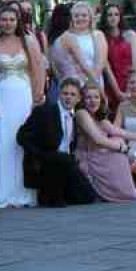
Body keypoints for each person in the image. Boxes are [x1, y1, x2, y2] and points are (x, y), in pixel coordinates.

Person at [0, 5, 43, 208]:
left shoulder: (27, 42)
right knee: (4, 143)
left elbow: (38, 69)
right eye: (4, 20)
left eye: (11, 19)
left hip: (24, 96)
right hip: (1, 97)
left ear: (17, 22)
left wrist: (38, 95)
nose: (7, 23)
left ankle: (24, 192)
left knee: (23, 142)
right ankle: (4, 192)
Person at [74, 85, 136, 202]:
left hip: (98, 155)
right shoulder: (81, 113)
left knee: (119, 140)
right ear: (82, 100)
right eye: (88, 98)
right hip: (88, 158)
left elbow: (116, 131)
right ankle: (126, 191)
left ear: (101, 99)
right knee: (119, 148)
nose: (93, 101)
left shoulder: (98, 116)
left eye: (96, 97)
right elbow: (98, 139)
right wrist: (125, 149)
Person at [16, 78, 97, 207]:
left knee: (89, 197)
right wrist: (40, 155)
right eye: (65, 94)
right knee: (59, 201)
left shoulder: (75, 117)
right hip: (47, 163)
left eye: (72, 95)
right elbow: (21, 136)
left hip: (67, 164)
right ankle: (50, 194)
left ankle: (57, 193)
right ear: (59, 95)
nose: (68, 98)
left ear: (78, 98)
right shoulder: (44, 111)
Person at [54, 2, 106, 89]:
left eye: (84, 15)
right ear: (71, 18)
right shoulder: (66, 37)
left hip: (94, 85)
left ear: (90, 18)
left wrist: (93, 84)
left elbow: (101, 63)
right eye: (76, 16)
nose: (80, 18)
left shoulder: (98, 35)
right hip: (72, 86)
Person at [100, 4, 136, 111]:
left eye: (116, 14)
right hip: (111, 83)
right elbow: (106, 67)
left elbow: (135, 66)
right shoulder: (101, 37)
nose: (113, 18)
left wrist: (129, 89)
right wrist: (117, 92)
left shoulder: (131, 35)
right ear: (105, 18)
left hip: (131, 83)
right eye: (110, 15)